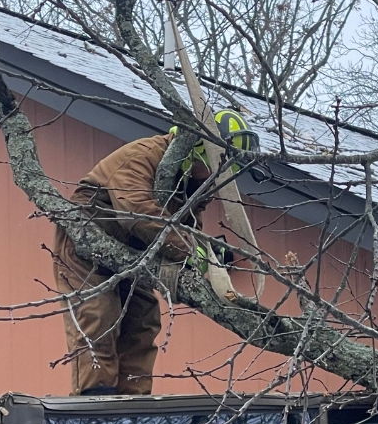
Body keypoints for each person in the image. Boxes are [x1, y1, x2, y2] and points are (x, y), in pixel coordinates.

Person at [52, 109, 259, 396]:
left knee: (143, 320)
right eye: (217, 166)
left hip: (136, 252)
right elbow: (137, 212)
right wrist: (189, 251)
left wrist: (198, 261)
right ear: (197, 150)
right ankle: (95, 400)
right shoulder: (142, 155)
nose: (216, 178)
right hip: (87, 240)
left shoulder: (192, 183)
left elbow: (187, 226)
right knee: (99, 314)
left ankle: (134, 401)